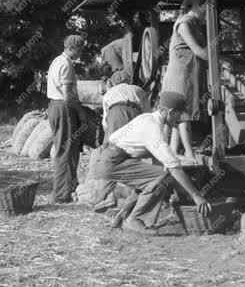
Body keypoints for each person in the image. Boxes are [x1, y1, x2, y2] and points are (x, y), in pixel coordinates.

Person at [89, 91, 212, 235]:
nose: (180, 118)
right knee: (162, 178)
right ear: (170, 112)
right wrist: (196, 196)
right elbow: (172, 168)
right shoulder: (153, 128)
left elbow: (164, 159)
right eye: (179, 114)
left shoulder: (149, 119)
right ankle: (135, 219)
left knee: (151, 180)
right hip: (111, 161)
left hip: (109, 158)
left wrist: (182, 161)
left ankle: (122, 215)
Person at [160, 0, 208, 160]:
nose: (208, 10)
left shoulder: (196, 24)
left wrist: (223, 58)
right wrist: (220, 62)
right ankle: (189, 153)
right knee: (183, 116)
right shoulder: (184, 24)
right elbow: (199, 51)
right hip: (179, 76)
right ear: (195, 6)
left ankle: (172, 152)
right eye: (206, 5)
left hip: (189, 74)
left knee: (178, 118)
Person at [46, 34, 88, 203]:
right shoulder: (66, 65)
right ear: (71, 48)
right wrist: (80, 112)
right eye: (80, 50)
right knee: (65, 150)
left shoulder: (57, 61)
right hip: (64, 109)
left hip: (56, 107)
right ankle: (60, 194)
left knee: (70, 149)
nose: (81, 53)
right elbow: (68, 95)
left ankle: (70, 188)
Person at [101, 69, 149, 143]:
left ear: (112, 83)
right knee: (136, 146)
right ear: (128, 80)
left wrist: (108, 131)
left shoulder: (108, 94)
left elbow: (105, 123)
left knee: (110, 148)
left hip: (115, 115)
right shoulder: (137, 89)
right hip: (134, 112)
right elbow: (147, 112)